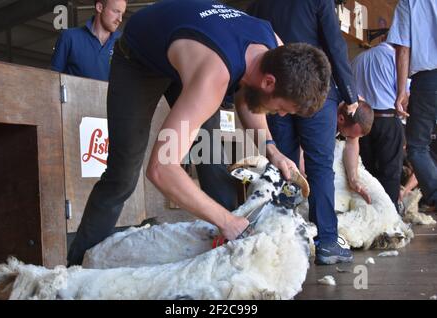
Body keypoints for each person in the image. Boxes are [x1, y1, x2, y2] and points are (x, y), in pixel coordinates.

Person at [66, 0, 332, 266]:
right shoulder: (213, 78)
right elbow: (162, 169)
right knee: (122, 175)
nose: (281, 115)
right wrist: (226, 221)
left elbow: (248, 98)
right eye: (283, 108)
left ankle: (229, 263)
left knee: (212, 163)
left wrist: (271, 150)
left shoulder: (276, 50)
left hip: (194, 49)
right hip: (141, 59)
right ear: (269, 82)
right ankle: (75, 271)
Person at [247, 0, 358, 265]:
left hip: (277, 92)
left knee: (283, 164)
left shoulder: (257, 3)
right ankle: (327, 241)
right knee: (319, 166)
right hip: (315, 92)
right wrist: (350, 92)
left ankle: (283, 240)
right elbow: (334, 44)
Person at [387, 0, 437, 210]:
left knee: (417, 146)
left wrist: (401, 92)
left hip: (428, 81)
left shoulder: (409, 2)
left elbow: (403, 49)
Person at [351, 41, 409, 213]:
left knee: (366, 172)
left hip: (360, 121)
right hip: (387, 119)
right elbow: (404, 96)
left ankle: (369, 214)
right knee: (390, 172)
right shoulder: (396, 58)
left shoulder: (358, 59)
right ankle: (389, 217)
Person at [51, 0, 127, 81]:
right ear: (99, 7)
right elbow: (53, 78)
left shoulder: (123, 44)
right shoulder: (69, 37)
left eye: (122, 14)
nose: (120, 19)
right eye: (116, 11)